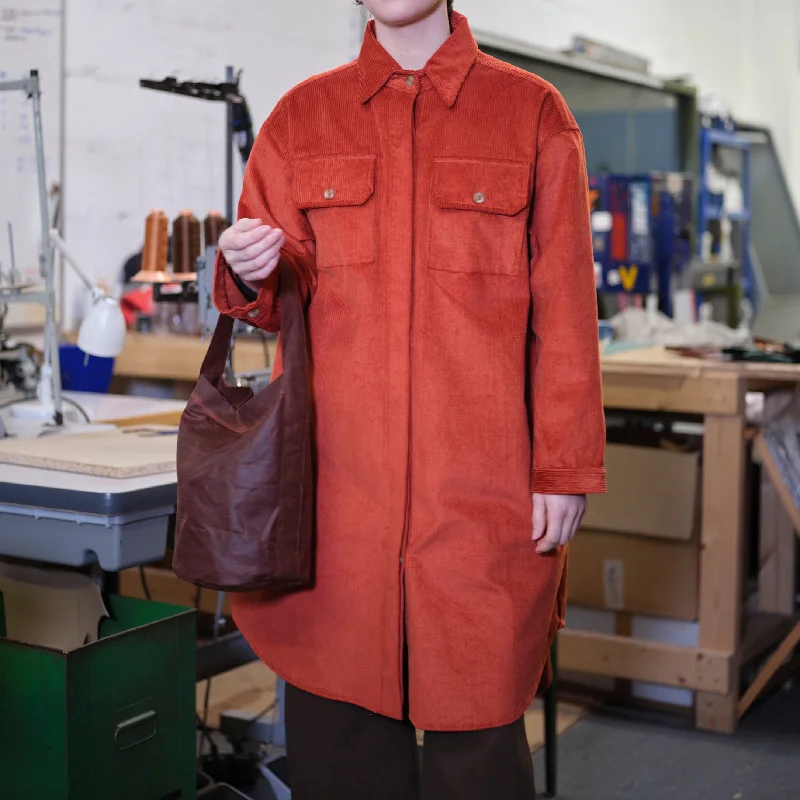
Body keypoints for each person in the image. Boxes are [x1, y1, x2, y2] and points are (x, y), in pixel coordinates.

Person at [214, 2, 606, 798]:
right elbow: (270, 296)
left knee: (480, 751)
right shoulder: (301, 118)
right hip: (337, 508)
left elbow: (565, 307)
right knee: (340, 751)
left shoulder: (532, 114)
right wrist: (247, 268)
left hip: (481, 507)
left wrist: (563, 468)